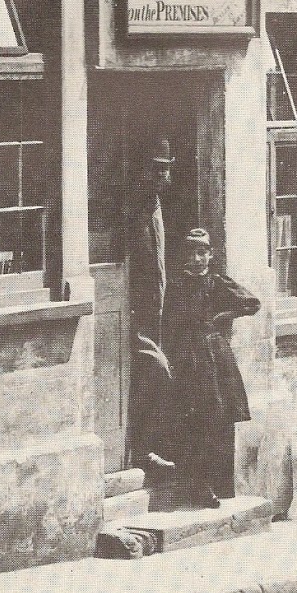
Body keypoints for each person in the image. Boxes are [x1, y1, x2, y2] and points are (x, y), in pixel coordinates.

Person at [163, 227, 260, 508]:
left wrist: (223, 316)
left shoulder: (217, 282)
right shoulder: (176, 284)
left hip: (215, 357)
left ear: (210, 255)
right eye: (191, 253)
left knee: (218, 419)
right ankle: (196, 485)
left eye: (202, 253)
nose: (196, 259)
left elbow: (251, 303)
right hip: (187, 356)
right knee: (194, 421)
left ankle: (217, 485)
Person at [128, 139, 175, 473]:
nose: (163, 175)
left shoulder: (155, 204)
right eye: (156, 168)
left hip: (154, 311)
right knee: (158, 371)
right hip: (133, 313)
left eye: (166, 168)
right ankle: (142, 449)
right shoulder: (133, 209)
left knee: (155, 376)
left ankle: (149, 449)